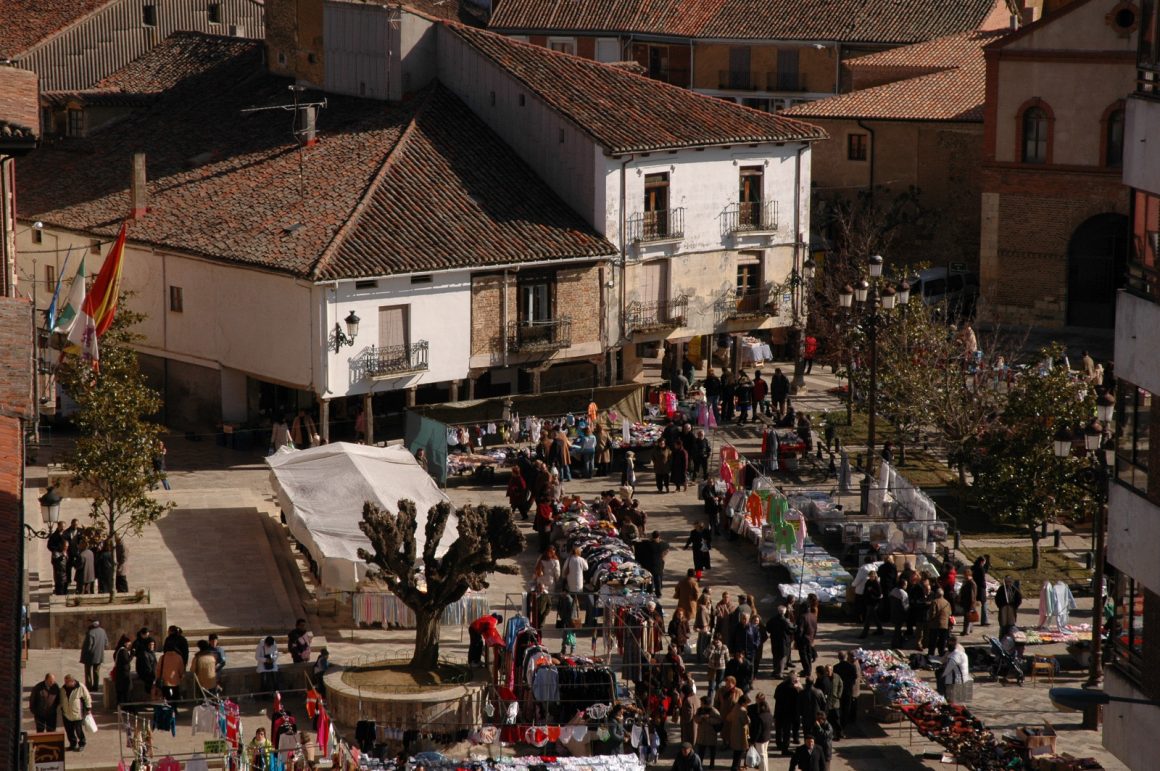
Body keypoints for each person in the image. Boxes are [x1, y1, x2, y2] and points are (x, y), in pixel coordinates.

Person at [60, 674, 92, 752]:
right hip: (67, 714)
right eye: (65, 682)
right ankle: (72, 744)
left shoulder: (80, 687)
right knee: (69, 731)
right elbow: (61, 699)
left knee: (78, 730)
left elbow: (87, 697)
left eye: (67, 682)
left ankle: (82, 743)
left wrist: (88, 709)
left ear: (72, 682)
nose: (66, 684)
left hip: (78, 714)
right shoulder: (63, 689)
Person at [77, 619, 107, 692]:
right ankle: (96, 686)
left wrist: (84, 654)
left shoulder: (91, 633)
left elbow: (88, 646)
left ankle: (89, 687)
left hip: (89, 656)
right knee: (96, 672)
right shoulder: (103, 631)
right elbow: (106, 643)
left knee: (88, 672)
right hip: (99, 655)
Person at [765, 604, 794, 678]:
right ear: (784, 612)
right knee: (782, 657)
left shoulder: (773, 619)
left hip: (774, 640)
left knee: (775, 656)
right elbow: (792, 629)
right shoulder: (786, 621)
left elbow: (768, 628)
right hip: (783, 642)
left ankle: (775, 671)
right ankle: (779, 673)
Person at [534, 546, 561, 624]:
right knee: (546, 603)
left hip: (544, 583)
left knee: (544, 603)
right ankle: (542, 620)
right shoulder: (555, 561)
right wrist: (556, 580)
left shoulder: (542, 559)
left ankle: (540, 618)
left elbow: (536, 569)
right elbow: (557, 573)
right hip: (547, 584)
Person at [773, 675, 799, 755]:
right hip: (788, 713)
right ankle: (785, 749)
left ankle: (778, 743)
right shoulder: (792, 689)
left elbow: (775, 696)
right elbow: (796, 702)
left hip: (778, 711)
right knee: (786, 732)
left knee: (779, 729)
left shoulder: (780, 686)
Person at [832, 652, 860, 729]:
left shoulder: (836, 667)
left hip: (839, 689)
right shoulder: (851, 666)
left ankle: (840, 720)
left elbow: (834, 678)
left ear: (838, 657)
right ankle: (844, 722)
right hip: (848, 689)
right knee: (846, 706)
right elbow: (854, 677)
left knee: (839, 705)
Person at [724, 693, 751, 771]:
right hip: (740, 733)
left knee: (736, 752)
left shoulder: (736, 707)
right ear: (743, 703)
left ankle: (736, 766)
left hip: (735, 731)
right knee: (739, 752)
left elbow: (729, 718)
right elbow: (746, 721)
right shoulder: (742, 711)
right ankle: (736, 767)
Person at [748, 692, 774, 771]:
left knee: (761, 755)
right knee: (764, 754)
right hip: (766, 737)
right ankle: (765, 769)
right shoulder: (769, 714)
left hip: (761, 739)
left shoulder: (760, 717)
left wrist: (753, 741)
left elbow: (758, 731)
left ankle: (764, 769)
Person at [927, 588, 953, 656]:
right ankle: (941, 654)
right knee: (942, 641)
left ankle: (931, 654)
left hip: (935, 625)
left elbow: (932, 613)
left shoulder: (935, 602)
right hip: (944, 625)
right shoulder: (947, 603)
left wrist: (929, 620)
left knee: (933, 641)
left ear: (936, 594)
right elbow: (950, 613)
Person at [795, 600, 817, 676]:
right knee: (808, 655)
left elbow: (800, 630)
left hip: (803, 640)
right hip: (810, 639)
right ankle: (808, 670)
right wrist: (813, 638)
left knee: (804, 656)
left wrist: (797, 640)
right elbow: (815, 628)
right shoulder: (813, 616)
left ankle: (807, 671)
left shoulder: (802, 617)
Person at [859, 570, 883, 637]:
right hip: (868, 601)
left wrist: (871, 590)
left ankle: (864, 633)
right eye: (870, 576)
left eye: (872, 576)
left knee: (868, 618)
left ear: (875, 576)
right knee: (875, 617)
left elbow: (879, 594)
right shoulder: (868, 582)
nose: (871, 577)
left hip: (874, 603)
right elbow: (865, 591)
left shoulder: (876, 583)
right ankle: (880, 630)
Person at [822, 665, 843, 740]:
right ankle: (832, 734)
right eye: (826, 671)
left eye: (828, 670)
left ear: (832, 670)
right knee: (829, 719)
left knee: (837, 718)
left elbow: (841, 685)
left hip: (835, 701)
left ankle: (839, 732)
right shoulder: (824, 678)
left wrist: (839, 694)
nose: (827, 672)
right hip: (828, 702)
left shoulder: (837, 677)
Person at [706, 633, 730, 700]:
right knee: (711, 686)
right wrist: (712, 649)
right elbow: (707, 656)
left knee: (719, 686)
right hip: (712, 668)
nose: (716, 641)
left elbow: (727, 659)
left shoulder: (724, 647)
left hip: (721, 668)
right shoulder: (710, 646)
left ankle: (718, 700)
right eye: (715, 639)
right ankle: (709, 701)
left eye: (718, 640)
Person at [112, 635, 134, 705]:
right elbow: (126, 661)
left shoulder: (118, 650)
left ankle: (120, 706)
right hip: (124, 675)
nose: (129, 644)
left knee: (120, 692)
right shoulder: (123, 651)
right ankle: (126, 706)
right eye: (128, 643)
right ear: (125, 643)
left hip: (119, 674)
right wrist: (132, 654)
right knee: (126, 691)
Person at [971, 555, 991, 626]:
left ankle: (971, 619)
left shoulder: (974, 567)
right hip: (981, 588)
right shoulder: (981, 569)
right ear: (982, 562)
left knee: (973, 604)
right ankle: (984, 620)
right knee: (984, 603)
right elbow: (982, 580)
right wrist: (985, 586)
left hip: (974, 587)